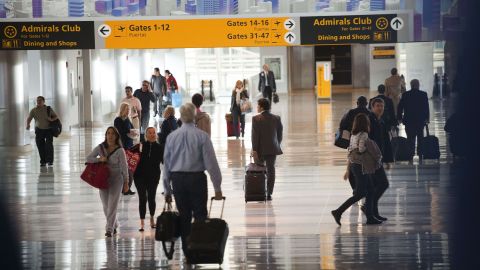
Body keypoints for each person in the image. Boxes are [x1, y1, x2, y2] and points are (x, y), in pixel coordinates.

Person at [163, 103, 223, 257]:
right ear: (194, 116)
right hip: (197, 179)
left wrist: (167, 189)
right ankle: (199, 247)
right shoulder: (202, 136)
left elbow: (167, 165)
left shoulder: (172, 137)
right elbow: (211, 163)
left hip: (178, 180)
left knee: (184, 215)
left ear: (181, 117)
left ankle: (186, 251)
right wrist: (217, 187)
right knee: (200, 214)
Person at [331, 114, 382, 226]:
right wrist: (368, 148)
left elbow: (350, 149)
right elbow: (361, 148)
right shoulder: (363, 134)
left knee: (370, 190)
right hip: (361, 165)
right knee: (360, 193)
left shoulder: (354, 134)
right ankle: (338, 212)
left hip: (355, 165)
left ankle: (370, 217)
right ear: (366, 123)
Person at [86, 127, 129, 237]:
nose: (110, 136)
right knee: (106, 205)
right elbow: (89, 158)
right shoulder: (100, 148)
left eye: (113, 134)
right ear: (105, 135)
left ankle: (109, 229)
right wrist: (99, 159)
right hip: (103, 178)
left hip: (117, 180)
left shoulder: (120, 150)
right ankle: (114, 224)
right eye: (108, 133)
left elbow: (124, 167)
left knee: (112, 205)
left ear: (116, 136)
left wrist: (126, 182)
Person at [251, 98, 283, 200]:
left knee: (259, 170)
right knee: (271, 170)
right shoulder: (276, 118)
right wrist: (276, 144)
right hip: (273, 148)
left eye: (257, 105)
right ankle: (269, 193)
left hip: (260, 149)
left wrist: (254, 150)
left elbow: (255, 136)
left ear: (261, 107)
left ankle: (259, 190)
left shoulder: (256, 119)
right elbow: (280, 135)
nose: (257, 107)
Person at [134, 127, 162, 232]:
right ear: (146, 135)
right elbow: (131, 156)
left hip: (153, 176)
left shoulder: (160, 148)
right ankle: (142, 222)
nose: (152, 134)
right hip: (139, 176)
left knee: (151, 197)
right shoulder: (140, 145)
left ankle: (151, 218)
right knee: (142, 198)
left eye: (153, 133)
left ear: (156, 134)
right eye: (149, 133)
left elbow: (165, 161)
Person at [397, 79, 430, 162]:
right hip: (420, 120)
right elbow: (426, 108)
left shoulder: (405, 95)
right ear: (418, 85)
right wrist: (427, 118)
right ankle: (420, 153)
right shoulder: (423, 94)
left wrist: (399, 118)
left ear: (411, 85)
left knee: (410, 138)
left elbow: (400, 107)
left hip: (409, 121)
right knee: (420, 137)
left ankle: (410, 154)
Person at [26, 96, 59, 167]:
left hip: (48, 130)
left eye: (40, 100)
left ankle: (50, 161)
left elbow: (56, 116)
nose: (38, 102)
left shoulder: (48, 109)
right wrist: (28, 125)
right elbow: (29, 118)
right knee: (40, 146)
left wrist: (51, 120)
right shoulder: (33, 110)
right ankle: (43, 161)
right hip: (39, 130)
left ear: (44, 101)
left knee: (49, 145)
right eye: (37, 100)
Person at [114, 103, 136, 195]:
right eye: (127, 109)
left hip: (129, 145)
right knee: (123, 168)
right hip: (121, 146)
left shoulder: (127, 119)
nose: (128, 111)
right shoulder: (118, 120)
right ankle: (123, 188)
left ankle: (127, 188)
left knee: (130, 168)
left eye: (129, 110)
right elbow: (120, 131)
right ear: (122, 109)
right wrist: (129, 132)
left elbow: (132, 128)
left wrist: (134, 132)